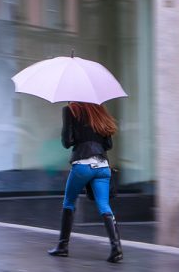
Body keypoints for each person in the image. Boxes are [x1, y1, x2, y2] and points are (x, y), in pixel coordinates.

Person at [48, 102, 123, 263]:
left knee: (69, 202)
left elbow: (67, 141)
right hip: (103, 166)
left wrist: (77, 133)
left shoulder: (70, 110)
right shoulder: (99, 109)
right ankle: (116, 249)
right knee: (104, 205)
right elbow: (108, 144)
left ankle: (62, 247)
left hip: (83, 165)